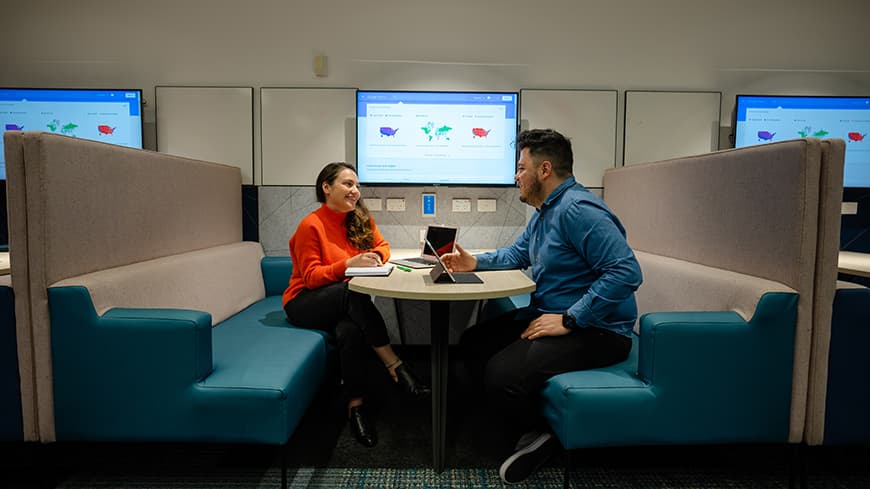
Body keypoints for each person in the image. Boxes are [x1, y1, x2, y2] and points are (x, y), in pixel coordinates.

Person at [441, 129, 642, 483]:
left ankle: (540, 437)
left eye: (521, 168)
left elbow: (626, 272)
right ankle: (499, 422)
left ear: (544, 169)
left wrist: (570, 319)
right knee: (473, 343)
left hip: (599, 330)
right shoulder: (544, 210)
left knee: (501, 375)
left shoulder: (578, 209)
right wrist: (476, 262)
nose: (516, 176)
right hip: (552, 314)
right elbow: (518, 254)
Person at [282, 162, 430, 448]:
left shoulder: (358, 218)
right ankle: (396, 365)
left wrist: (374, 254)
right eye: (348, 184)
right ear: (326, 187)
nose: (355, 191)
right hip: (305, 302)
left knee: (350, 331)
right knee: (352, 293)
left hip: (343, 305)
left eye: (357, 186)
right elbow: (311, 278)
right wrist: (348, 264)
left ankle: (356, 406)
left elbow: (383, 246)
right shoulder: (310, 225)